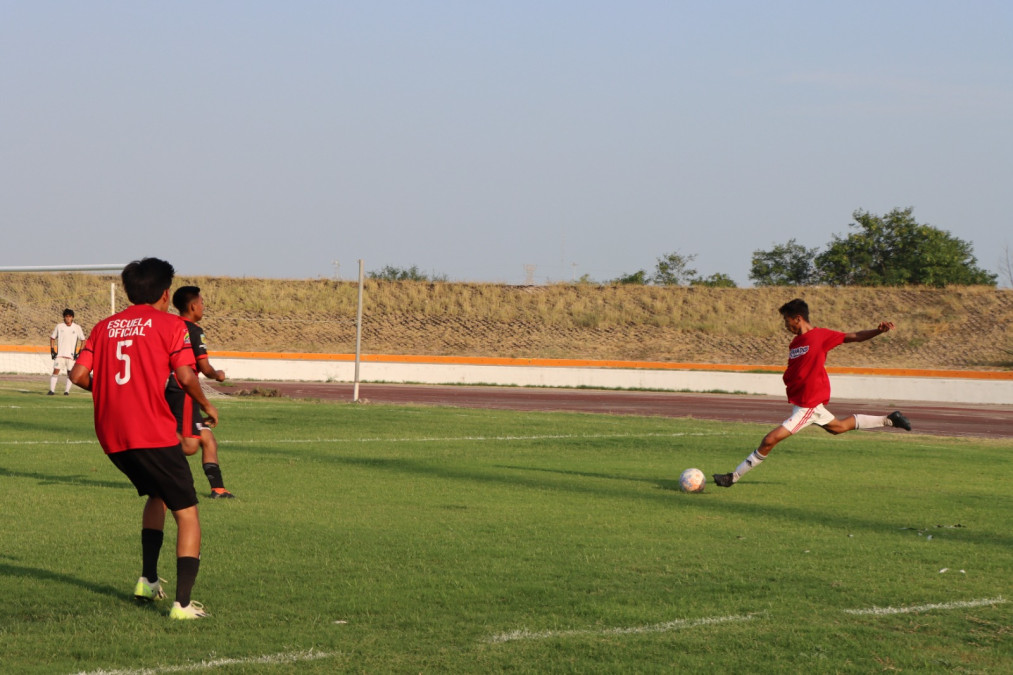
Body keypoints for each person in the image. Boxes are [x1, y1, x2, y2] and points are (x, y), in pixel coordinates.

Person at [69, 258, 218, 620]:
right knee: (188, 513)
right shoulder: (170, 325)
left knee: (157, 494)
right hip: (150, 431)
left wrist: (109, 391)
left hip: (113, 436)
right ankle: (183, 605)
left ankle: (148, 580)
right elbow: (185, 375)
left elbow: (77, 375)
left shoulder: (104, 327)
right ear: (166, 293)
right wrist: (207, 406)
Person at [713, 298, 911, 488]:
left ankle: (733, 476)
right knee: (839, 427)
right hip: (801, 402)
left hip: (808, 405)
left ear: (797, 318)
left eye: (786, 320)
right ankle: (890, 419)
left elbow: (854, 336)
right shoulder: (795, 344)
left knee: (769, 440)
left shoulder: (821, 336)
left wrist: (878, 331)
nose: (785, 325)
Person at [165, 285, 234, 499]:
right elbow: (204, 368)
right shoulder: (194, 331)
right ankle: (154, 442)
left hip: (167, 388)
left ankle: (218, 489)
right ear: (193, 306)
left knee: (207, 438)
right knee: (189, 445)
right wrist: (218, 375)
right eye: (202, 303)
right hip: (184, 389)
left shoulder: (168, 325)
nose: (204, 307)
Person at [49, 309, 85, 395]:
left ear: (72, 318)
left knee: (70, 374)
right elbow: (52, 338)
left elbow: (83, 340)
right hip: (60, 355)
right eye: (66, 316)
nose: (68, 318)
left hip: (71, 356)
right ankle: (51, 391)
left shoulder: (77, 327)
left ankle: (66, 391)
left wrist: (80, 351)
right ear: (64, 317)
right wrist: (52, 349)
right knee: (55, 371)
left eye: (70, 317)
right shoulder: (59, 326)